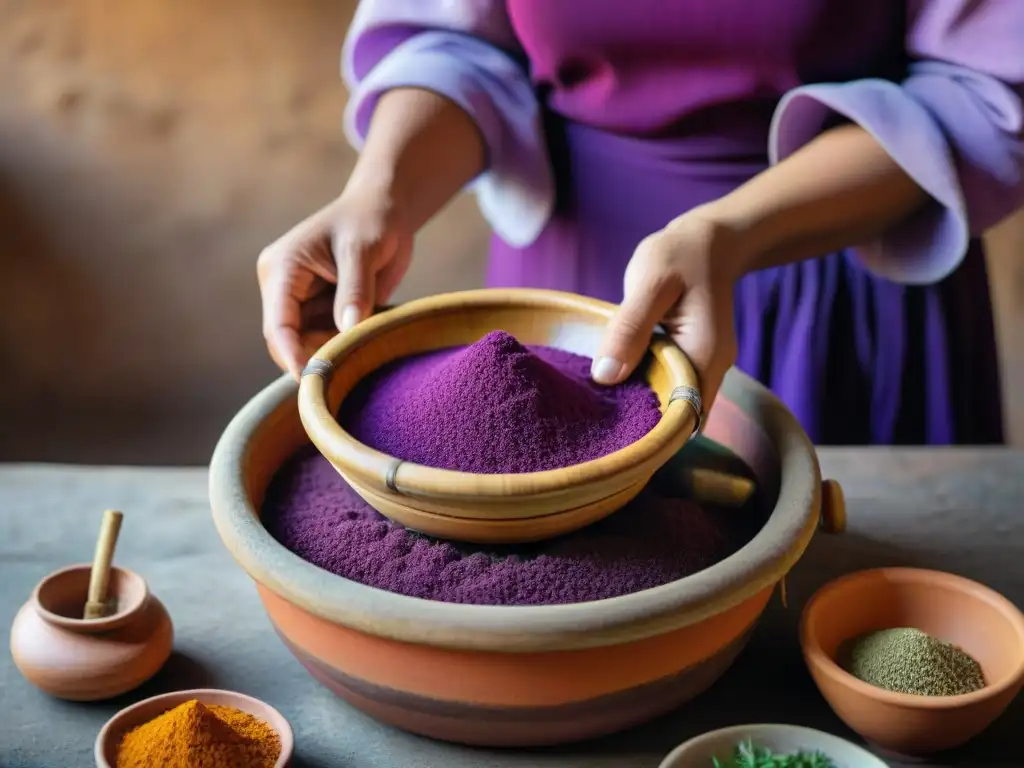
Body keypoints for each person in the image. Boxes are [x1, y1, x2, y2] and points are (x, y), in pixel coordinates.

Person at [258, 1, 1024, 445]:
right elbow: (454, 42)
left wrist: (733, 235)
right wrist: (380, 195)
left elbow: (984, 93)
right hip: (569, 285)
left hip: (846, 271)